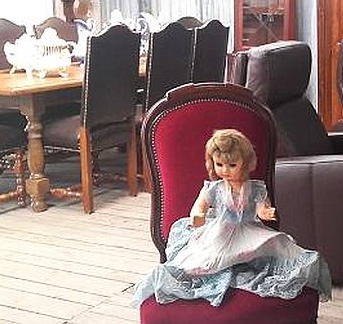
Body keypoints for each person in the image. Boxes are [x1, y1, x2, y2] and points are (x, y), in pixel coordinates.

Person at [132, 129, 332, 307]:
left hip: (248, 229)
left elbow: (262, 207)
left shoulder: (255, 188)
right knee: (207, 259)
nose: (225, 170)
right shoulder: (214, 188)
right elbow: (200, 206)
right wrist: (198, 215)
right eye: (219, 164)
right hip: (221, 230)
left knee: (280, 244)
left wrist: (265, 212)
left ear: (245, 163)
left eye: (232, 165)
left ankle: (246, 261)